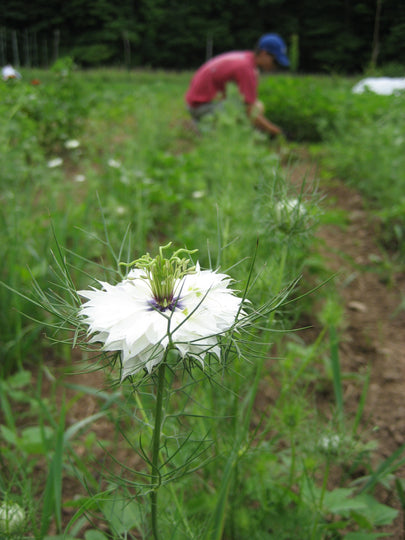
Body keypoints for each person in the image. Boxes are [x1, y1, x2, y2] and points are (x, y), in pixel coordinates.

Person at [185, 33, 289, 136]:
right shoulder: (246, 69)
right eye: (275, 61)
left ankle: (206, 124)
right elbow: (250, 111)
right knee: (250, 110)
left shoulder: (245, 58)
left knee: (256, 106)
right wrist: (277, 132)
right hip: (200, 107)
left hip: (197, 103)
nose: (275, 66)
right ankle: (207, 128)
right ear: (264, 53)